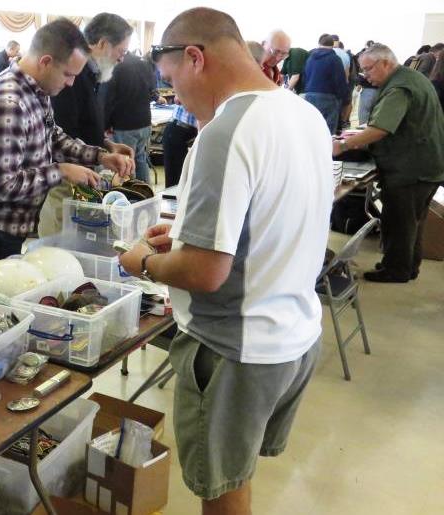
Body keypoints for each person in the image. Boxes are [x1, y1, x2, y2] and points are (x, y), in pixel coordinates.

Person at [124, 8, 332, 514]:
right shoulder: (303, 113)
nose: (175, 96)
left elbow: (204, 272)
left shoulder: (226, 131)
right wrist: (189, 236)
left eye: (172, 80)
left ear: (195, 58)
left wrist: (142, 263)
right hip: (293, 333)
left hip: (235, 349)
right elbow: (273, 216)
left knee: (220, 489)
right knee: (236, 469)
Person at [0, 19, 133, 270]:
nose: (71, 83)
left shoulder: (36, 91)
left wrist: (101, 156)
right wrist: (61, 171)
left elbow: (54, 137)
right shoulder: (8, 103)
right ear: (45, 62)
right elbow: (4, 186)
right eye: (68, 74)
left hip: (13, 226)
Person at [334, 44, 444, 283]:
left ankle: (395, 270)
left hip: (409, 169)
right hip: (427, 166)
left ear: (385, 63)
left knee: (398, 222)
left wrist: (342, 146)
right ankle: (408, 266)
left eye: (368, 69)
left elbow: (380, 128)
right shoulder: (412, 78)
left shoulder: (399, 88)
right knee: (413, 222)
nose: (366, 75)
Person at [40, 12, 136, 237]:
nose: (122, 59)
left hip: (80, 174)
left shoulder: (91, 74)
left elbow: (77, 125)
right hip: (65, 181)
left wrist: (106, 146)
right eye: (121, 51)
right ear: (102, 44)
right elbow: (61, 135)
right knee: (59, 242)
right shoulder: (72, 75)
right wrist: (99, 156)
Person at [105, 52, 164, 183]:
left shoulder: (116, 65)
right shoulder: (143, 64)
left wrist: (105, 125)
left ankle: (131, 192)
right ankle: (145, 191)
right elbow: (152, 90)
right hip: (145, 121)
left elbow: (109, 99)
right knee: (140, 158)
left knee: (126, 163)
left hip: (125, 124)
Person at [302, 34, 349, 133]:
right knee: (328, 132)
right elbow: (340, 81)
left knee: (312, 129)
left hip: (309, 96)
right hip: (328, 98)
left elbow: (305, 77)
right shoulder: (335, 59)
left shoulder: (310, 58)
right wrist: (345, 99)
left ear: (319, 44)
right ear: (333, 45)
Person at [161, 102, 197, 187]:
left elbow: (177, 99)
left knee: (175, 182)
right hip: (182, 129)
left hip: (182, 129)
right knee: (177, 182)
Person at [356, 40, 378, 124]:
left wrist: (359, 84)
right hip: (379, 90)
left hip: (368, 89)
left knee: (364, 114)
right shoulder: (380, 57)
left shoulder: (365, 57)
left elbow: (362, 73)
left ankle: (364, 129)